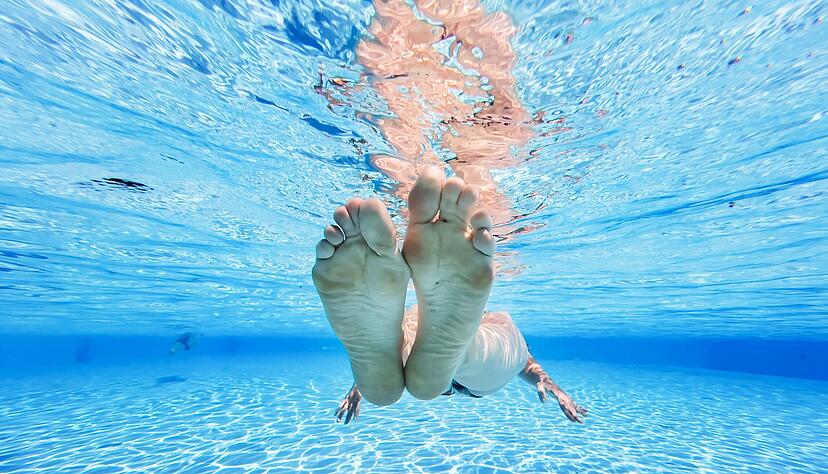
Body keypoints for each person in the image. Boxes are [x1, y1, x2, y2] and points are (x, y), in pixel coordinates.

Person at [313, 167, 586, 424]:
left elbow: (376, 341)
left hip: (418, 345)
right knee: (504, 344)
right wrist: (547, 382)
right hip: (480, 373)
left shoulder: (423, 315)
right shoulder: (486, 318)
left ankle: (407, 367)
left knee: (406, 334)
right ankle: (464, 351)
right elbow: (526, 364)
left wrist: (362, 384)